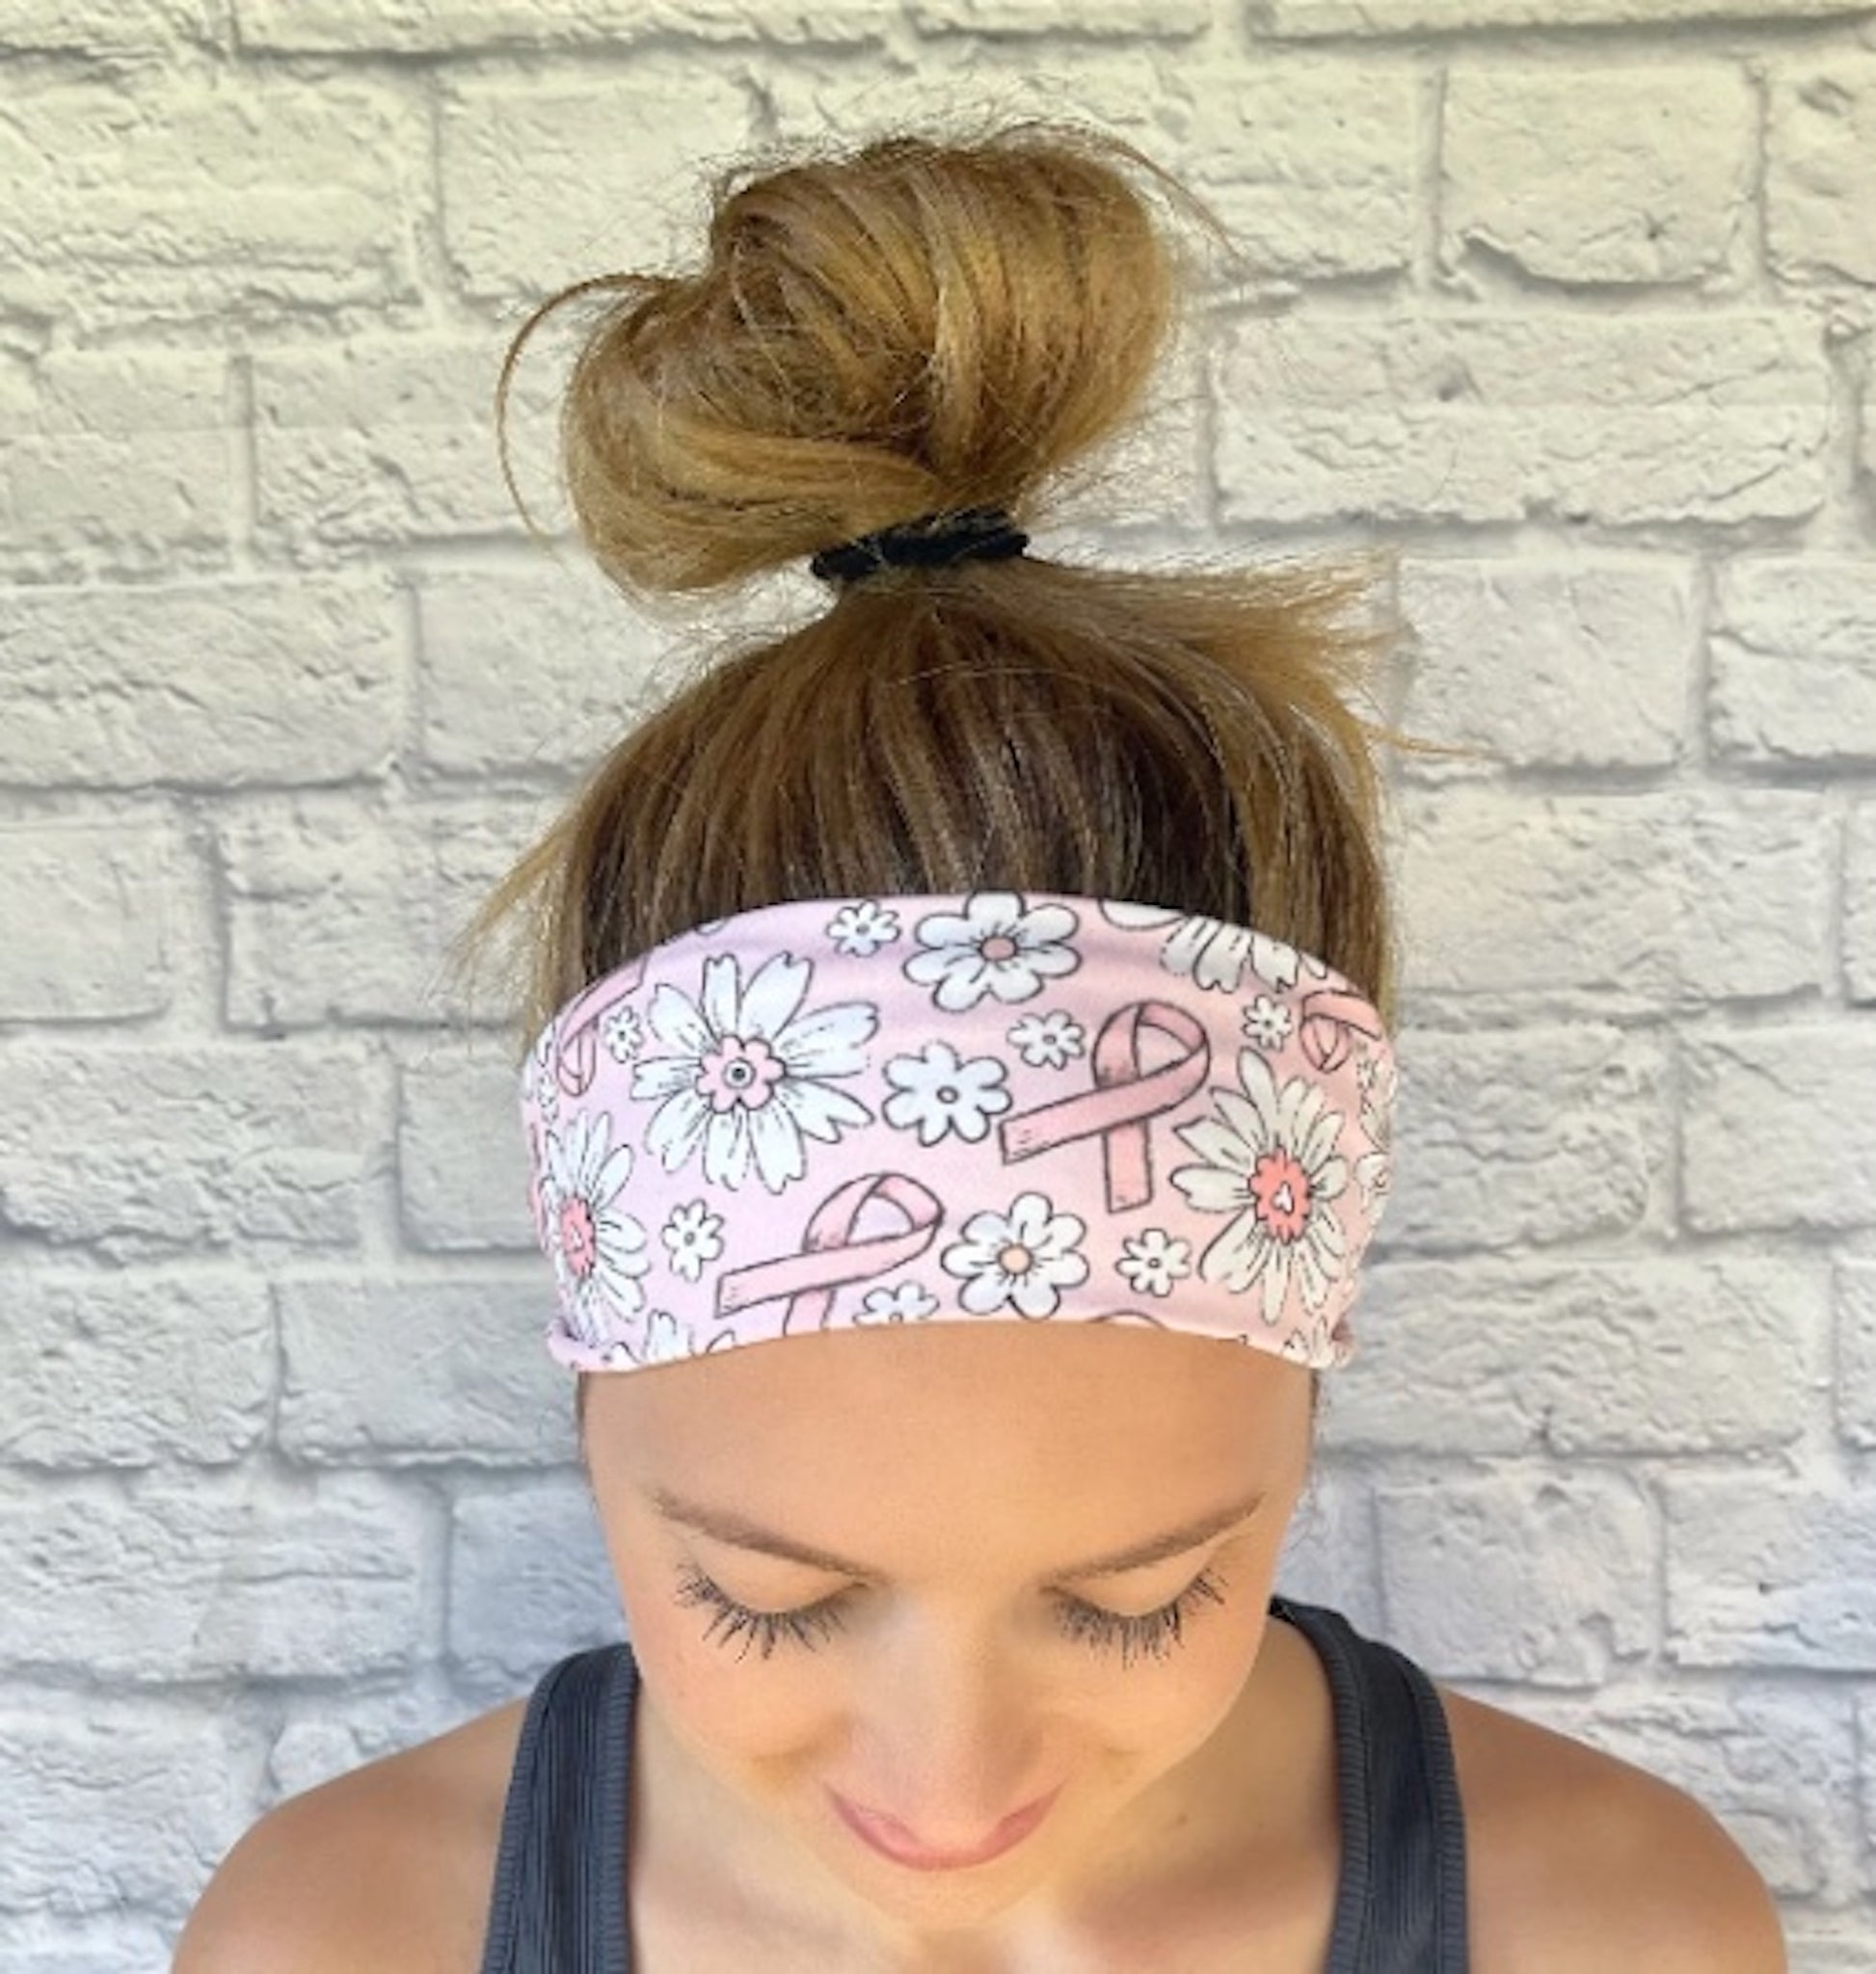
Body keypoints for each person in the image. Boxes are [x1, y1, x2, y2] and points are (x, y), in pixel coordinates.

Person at [174, 120, 1786, 1974]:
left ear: (1308, 1411)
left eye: (1137, 1599)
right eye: (765, 1600)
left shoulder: (1604, 1933)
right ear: (587, 1415)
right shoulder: (344, 1938)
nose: (948, 1800)